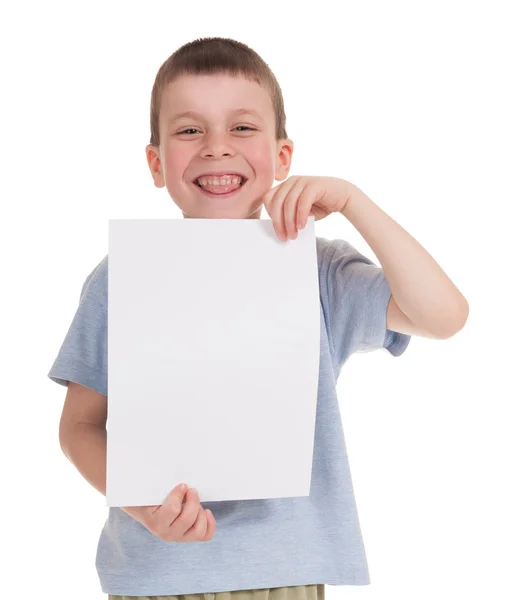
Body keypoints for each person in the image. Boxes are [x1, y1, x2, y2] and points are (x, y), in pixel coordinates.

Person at [47, 37, 469, 600]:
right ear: (156, 163)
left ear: (282, 157)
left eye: (242, 128)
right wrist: (145, 507)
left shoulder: (319, 270)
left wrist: (352, 201)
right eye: (190, 130)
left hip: (282, 573)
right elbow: (79, 427)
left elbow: (443, 316)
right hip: (154, 571)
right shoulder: (119, 275)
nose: (217, 148)